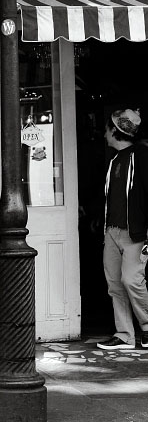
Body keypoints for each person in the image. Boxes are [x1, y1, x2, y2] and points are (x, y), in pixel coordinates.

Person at [96, 108, 148, 351]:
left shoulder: (143, 156)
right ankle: (125, 335)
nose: (104, 134)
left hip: (135, 232)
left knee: (132, 280)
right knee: (115, 284)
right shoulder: (115, 159)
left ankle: (147, 328)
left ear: (115, 131)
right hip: (112, 231)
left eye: (107, 129)